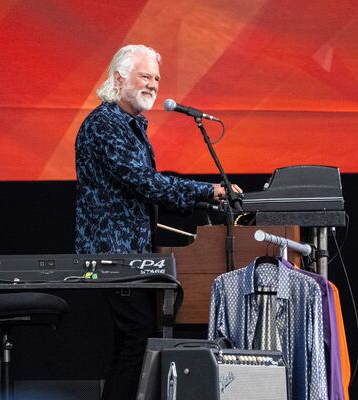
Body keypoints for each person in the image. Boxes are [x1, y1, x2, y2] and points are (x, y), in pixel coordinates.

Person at [74, 44, 241, 400]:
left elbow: (143, 188)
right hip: (113, 254)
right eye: (145, 76)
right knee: (138, 335)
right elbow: (141, 181)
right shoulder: (105, 124)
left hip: (129, 253)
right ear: (120, 78)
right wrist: (204, 192)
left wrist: (198, 200)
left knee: (132, 339)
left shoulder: (129, 124)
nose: (153, 84)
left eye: (157, 79)